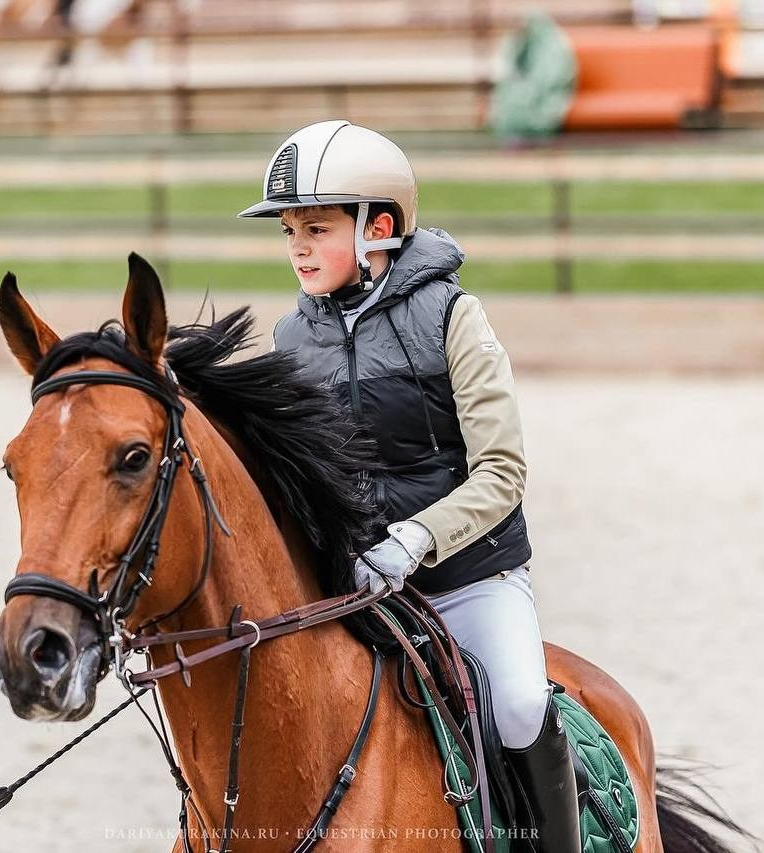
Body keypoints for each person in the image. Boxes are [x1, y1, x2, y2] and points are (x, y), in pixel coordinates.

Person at [238, 120, 582, 853]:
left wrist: (414, 540)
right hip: (354, 588)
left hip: (466, 576)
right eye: (290, 230)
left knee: (520, 706)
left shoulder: (454, 318)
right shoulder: (291, 342)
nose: (297, 245)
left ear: (380, 227)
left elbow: (503, 472)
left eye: (317, 227)